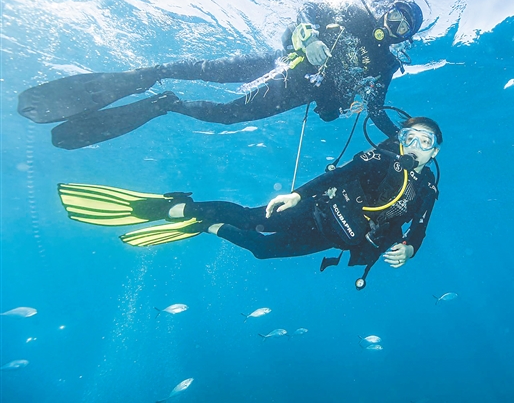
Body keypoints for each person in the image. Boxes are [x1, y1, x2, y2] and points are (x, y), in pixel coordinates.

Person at [57, 117, 442, 289]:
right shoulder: (380, 157)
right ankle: (169, 208)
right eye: (410, 136)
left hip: (332, 237)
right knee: (249, 217)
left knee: (261, 249)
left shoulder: (428, 190)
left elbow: (420, 227)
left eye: (425, 142)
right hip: (316, 208)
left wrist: (409, 248)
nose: (414, 146)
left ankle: (205, 225)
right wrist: (298, 193)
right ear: (401, 137)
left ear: (434, 151)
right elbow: (337, 176)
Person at [18, 0, 424, 150]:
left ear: (407, 36)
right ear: (387, 9)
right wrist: (306, 34)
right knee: (205, 70)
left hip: (293, 94)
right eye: (395, 16)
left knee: (227, 114)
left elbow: (375, 108)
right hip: (276, 63)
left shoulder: (386, 64)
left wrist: (399, 133)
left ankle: (167, 105)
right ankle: (149, 75)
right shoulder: (352, 12)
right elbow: (306, 10)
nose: (395, 25)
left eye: (404, 27)